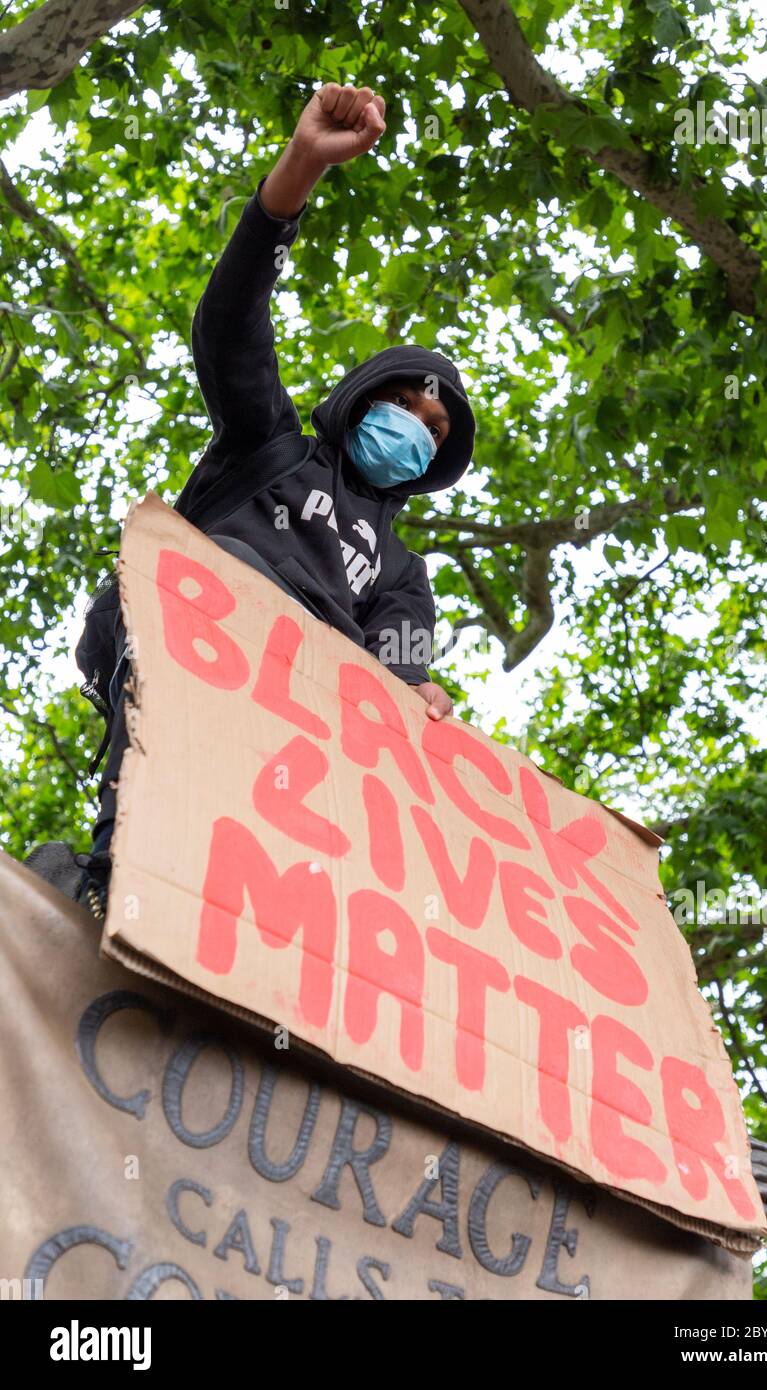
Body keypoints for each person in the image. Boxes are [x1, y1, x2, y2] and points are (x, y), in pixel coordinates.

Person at [73, 82, 476, 918]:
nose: (416, 429)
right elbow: (230, 324)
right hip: (189, 645)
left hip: (299, 727)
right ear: (363, 397)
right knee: (158, 820)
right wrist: (300, 168)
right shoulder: (272, 448)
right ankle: (116, 879)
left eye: (434, 432)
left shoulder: (401, 574)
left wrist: (422, 700)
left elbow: (396, 683)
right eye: (403, 404)